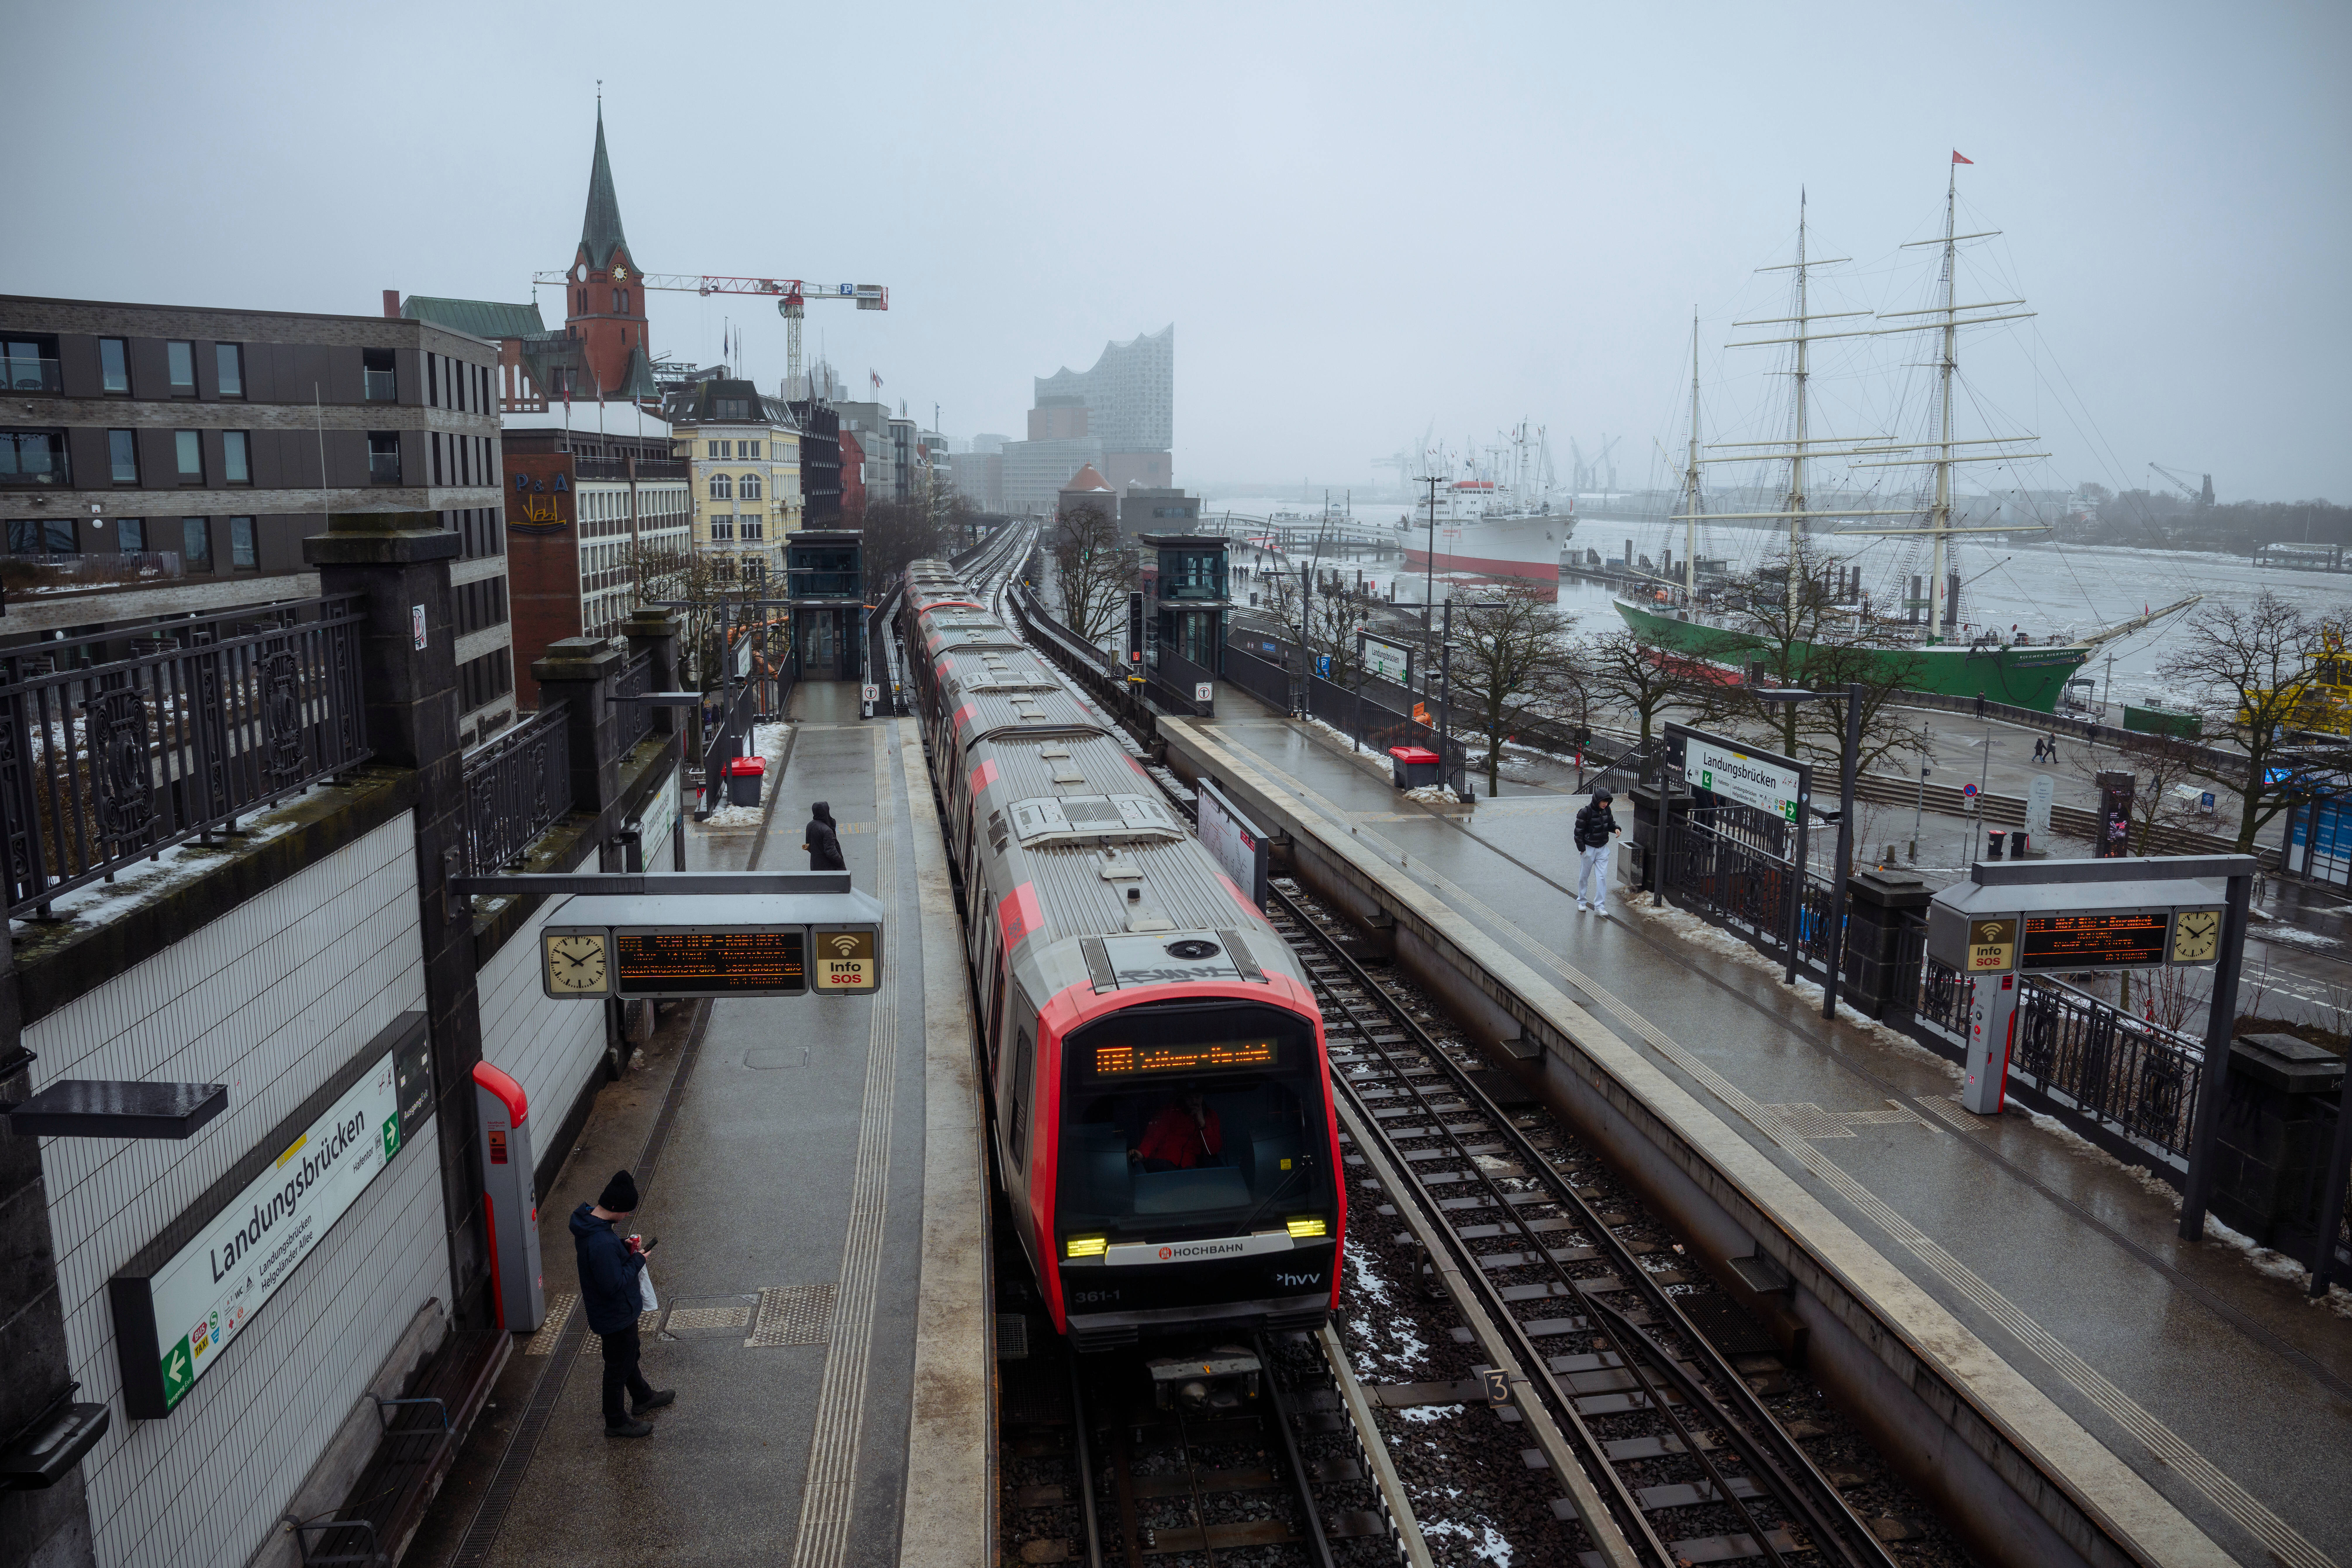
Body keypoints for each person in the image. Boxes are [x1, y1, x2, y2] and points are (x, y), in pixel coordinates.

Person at [572, 1170, 675, 1438]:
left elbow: (606, 1262)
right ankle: (616, 1420)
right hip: (614, 1314)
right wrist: (638, 1260)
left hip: (617, 1313)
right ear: (616, 1209)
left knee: (629, 1353)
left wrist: (623, 1247)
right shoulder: (601, 1242)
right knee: (618, 1365)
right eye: (628, 1211)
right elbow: (613, 1284)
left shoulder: (594, 1228)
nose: (629, 1215)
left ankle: (642, 1395)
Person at [1131, 1091, 1223, 1171]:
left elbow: (1212, 1151)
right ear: (1184, 1097)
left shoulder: (1210, 1116)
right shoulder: (1169, 1112)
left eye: (1198, 1097)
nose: (1194, 1101)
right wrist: (1142, 1154)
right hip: (1164, 1167)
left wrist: (1202, 1123)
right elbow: (1153, 1137)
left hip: (1192, 1171)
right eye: (1190, 1098)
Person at [1573, 789, 1621, 915]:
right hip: (1589, 849)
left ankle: (1600, 906)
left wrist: (1616, 828)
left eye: (1608, 801)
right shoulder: (1585, 812)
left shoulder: (1607, 810)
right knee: (1584, 876)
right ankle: (1582, 901)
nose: (1606, 804)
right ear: (1597, 801)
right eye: (1604, 801)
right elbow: (1578, 833)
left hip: (1603, 849)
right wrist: (1583, 850)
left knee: (1602, 877)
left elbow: (1610, 823)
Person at [803, 801, 845, 871]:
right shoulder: (827, 830)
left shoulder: (810, 825)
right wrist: (841, 863)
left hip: (815, 866)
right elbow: (831, 852)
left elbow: (809, 845)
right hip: (829, 870)